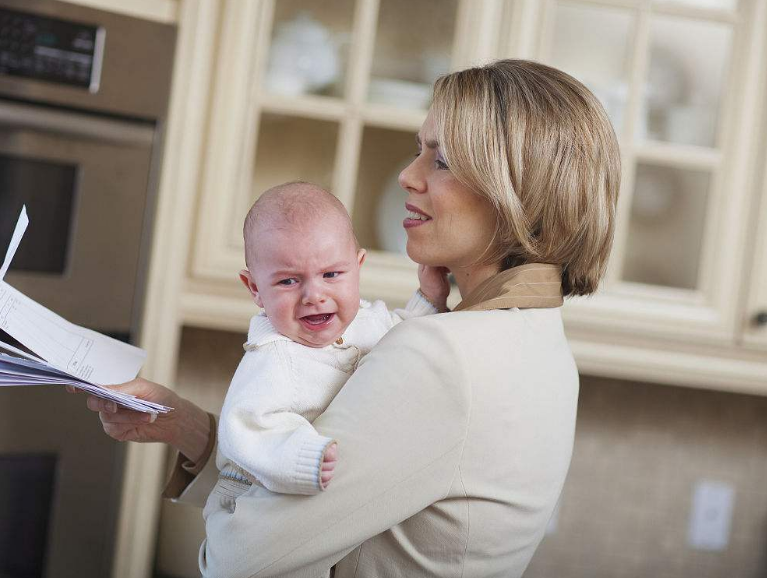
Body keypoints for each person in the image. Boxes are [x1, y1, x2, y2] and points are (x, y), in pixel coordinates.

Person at [80, 59, 620, 577]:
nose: (407, 176)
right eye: (419, 151)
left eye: (442, 160)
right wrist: (186, 426)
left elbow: (237, 560)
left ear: (515, 192)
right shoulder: (538, 342)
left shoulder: (443, 357)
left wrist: (231, 511)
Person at [215, 180, 447, 502]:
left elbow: (405, 337)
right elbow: (246, 428)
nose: (314, 296)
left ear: (358, 267)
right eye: (288, 281)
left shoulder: (370, 320)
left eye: (331, 275)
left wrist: (430, 298)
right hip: (250, 492)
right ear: (254, 288)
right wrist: (304, 456)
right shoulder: (272, 358)